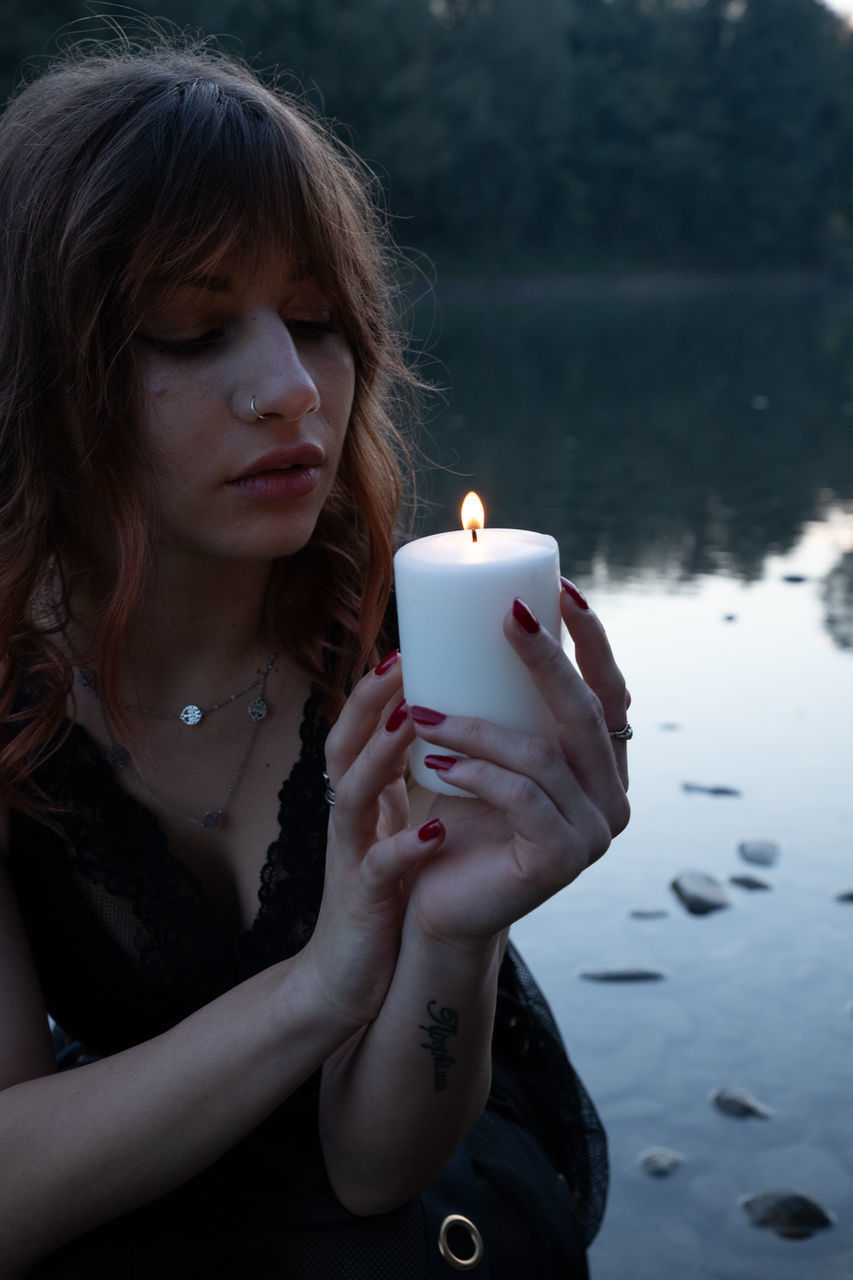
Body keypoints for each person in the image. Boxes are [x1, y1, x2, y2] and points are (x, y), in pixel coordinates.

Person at [0, 29, 631, 1280]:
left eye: (316, 319)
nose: (292, 388)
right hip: (145, 1132)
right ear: (39, 378)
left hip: (428, 1167)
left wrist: (451, 936)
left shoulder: (412, 652)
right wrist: (311, 992)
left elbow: (373, 1166)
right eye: (190, 330)